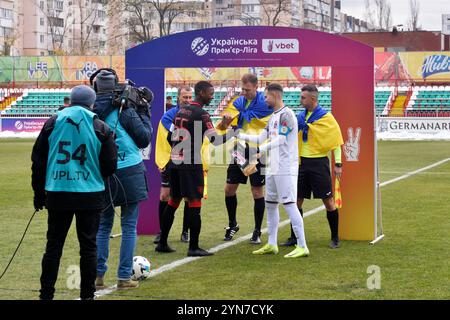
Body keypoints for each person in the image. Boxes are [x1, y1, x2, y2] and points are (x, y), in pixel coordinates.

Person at [31, 85, 117, 300]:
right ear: (92, 102)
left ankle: (46, 295)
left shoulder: (52, 123)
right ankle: (88, 295)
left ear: (70, 100)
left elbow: (38, 162)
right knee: (88, 247)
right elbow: (110, 167)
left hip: (58, 192)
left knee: (53, 247)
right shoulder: (100, 126)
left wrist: (38, 194)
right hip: (90, 193)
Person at [155, 81, 236, 256]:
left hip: (175, 162)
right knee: (194, 203)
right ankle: (194, 247)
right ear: (200, 92)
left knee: (173, 201)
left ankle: (162, 242)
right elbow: (215, 140)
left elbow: (171, 137)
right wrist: (232, 132)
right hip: (191, 165)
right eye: (210, 93)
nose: (212, 96)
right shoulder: (202, 114)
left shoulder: (180, 111)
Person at [92, 69, 153, 289]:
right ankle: (123, 277)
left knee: (103, 226)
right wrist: (144, 110)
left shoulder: (89, 109)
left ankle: (98, 276)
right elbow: (144, 138)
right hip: (129, 170)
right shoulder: (124, 108)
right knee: (128, 226)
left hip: (102, 173)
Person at [237, 83, 309, 258]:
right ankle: (272, 244)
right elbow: (261, 137)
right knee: (270, 204)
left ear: (275, 96)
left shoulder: (287, 114)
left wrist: (261, 150)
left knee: (290, 204)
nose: (264, 99)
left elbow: (282, 139)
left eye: (266, 96)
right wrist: (239, 134)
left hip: (285, 167)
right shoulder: (273, 116)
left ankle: (302, 245)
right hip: (272, 167)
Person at [281, 84, 343, 249]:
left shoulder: (326, 118)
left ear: (313, 99)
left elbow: (336, 141)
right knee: (296, 201)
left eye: (303, 97)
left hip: (319, 163)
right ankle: (294, 237)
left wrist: (338, 163)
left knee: (328, 202)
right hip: (301, 163)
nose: (300, 99)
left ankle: (335, 237)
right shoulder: (299, 117)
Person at [222, 74, 273, 244]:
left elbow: (273, 123)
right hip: (239, 149)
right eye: (242, 89)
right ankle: (232, 224)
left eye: (247, 90)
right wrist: (225, 122)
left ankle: (257, 230)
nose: (244, 92)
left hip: (258, 151)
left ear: (256, 87)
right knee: (229, 189)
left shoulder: (266, 104)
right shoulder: (237, 103)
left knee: (257, 191)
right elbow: (223, 127)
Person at [154, 86, 194, 244]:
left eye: (190, 97)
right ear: (178, 98)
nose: (188, 100)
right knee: (164, 195)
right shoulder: (169, 116)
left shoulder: (195, 114)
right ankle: (162, 231)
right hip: (171, 160)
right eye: (185, 97)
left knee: (187, 197)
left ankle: (185, 231)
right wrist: (163, 160)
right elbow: (164, 138)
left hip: (189, 161)